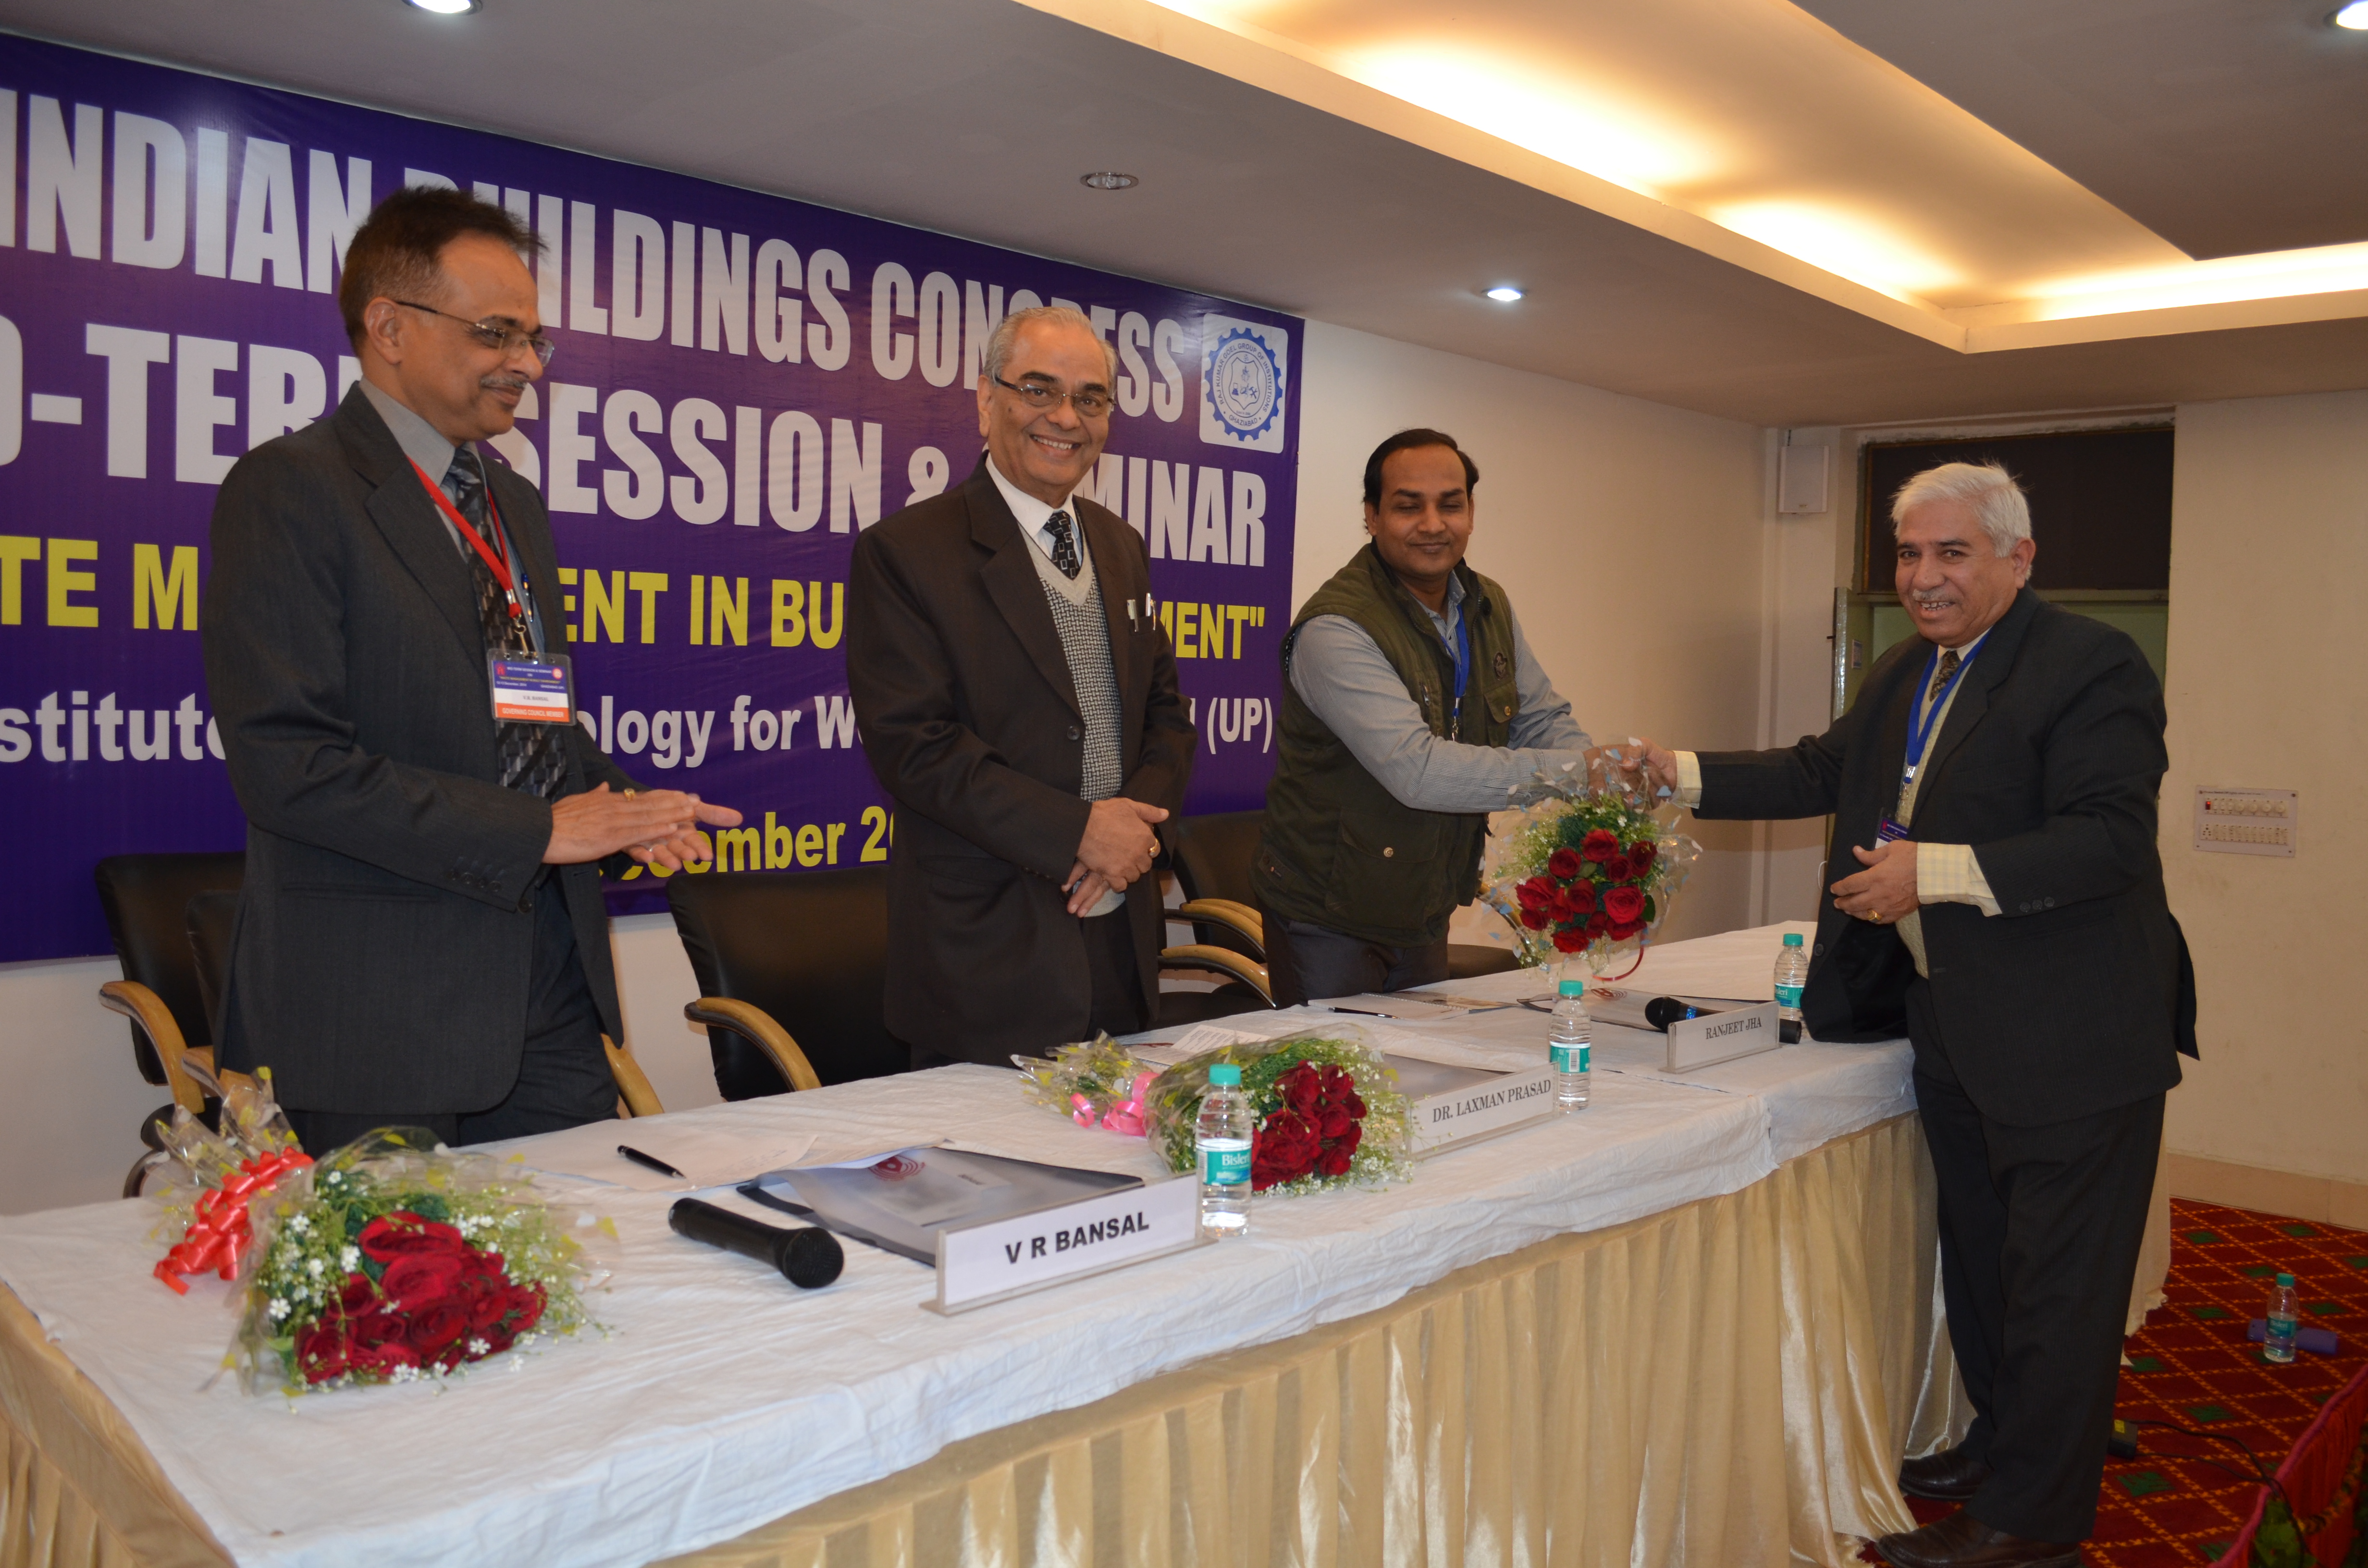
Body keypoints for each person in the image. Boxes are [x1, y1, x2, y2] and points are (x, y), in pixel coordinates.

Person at [1628, 462, 2195, 1568]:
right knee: (1985, 1267)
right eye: (1908, 554)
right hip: (1957, 1021)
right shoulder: (1908, 669)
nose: (1924, 577)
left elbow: (2109, 840)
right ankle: (2004, 1445)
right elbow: (1819, 770)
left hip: (2076, 1032)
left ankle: (2033, 1521)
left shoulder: (2092, 664)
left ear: (2019, 559)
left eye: (1952, 553)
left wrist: (1927, 871)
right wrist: (1677, 772)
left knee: (2059, 1287)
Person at [204, 187, 738, 1155]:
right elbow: (289, 767)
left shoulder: (510, 501)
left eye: (534, 339)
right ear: (389, 328)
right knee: (395, 1263)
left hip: (550, 993)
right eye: (497, 333)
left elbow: (530, 718)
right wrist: (542, 829)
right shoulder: (291, 488)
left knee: (582, 1251)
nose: (526, 364)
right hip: (378, 1010)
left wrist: (625, 807)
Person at [846, 306, 1192, 1067]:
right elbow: (916, 748)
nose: (1066, 418)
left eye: (1090, 398)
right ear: (986, 399)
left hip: (1120, 935)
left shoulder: (1121, 546)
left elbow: (1166, 716)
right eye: (1039, 390)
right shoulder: (905, 552)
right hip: (987, 955)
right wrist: (1079, 832)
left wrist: (1132, 835)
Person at [1251, 429, 1606, 1004]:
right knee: (1344, 1062)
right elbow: (1416, 772)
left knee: (1424, 1059)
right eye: (1407, 506)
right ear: (1371, 516)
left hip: (1422, 901)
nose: (1433, 524)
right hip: (1329, 916)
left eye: (1450, 504)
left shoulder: (1486, 605)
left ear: (1471, 512)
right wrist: (1579, 774)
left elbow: (1541, 718)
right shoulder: (1336, 628)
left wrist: (1607, 773)